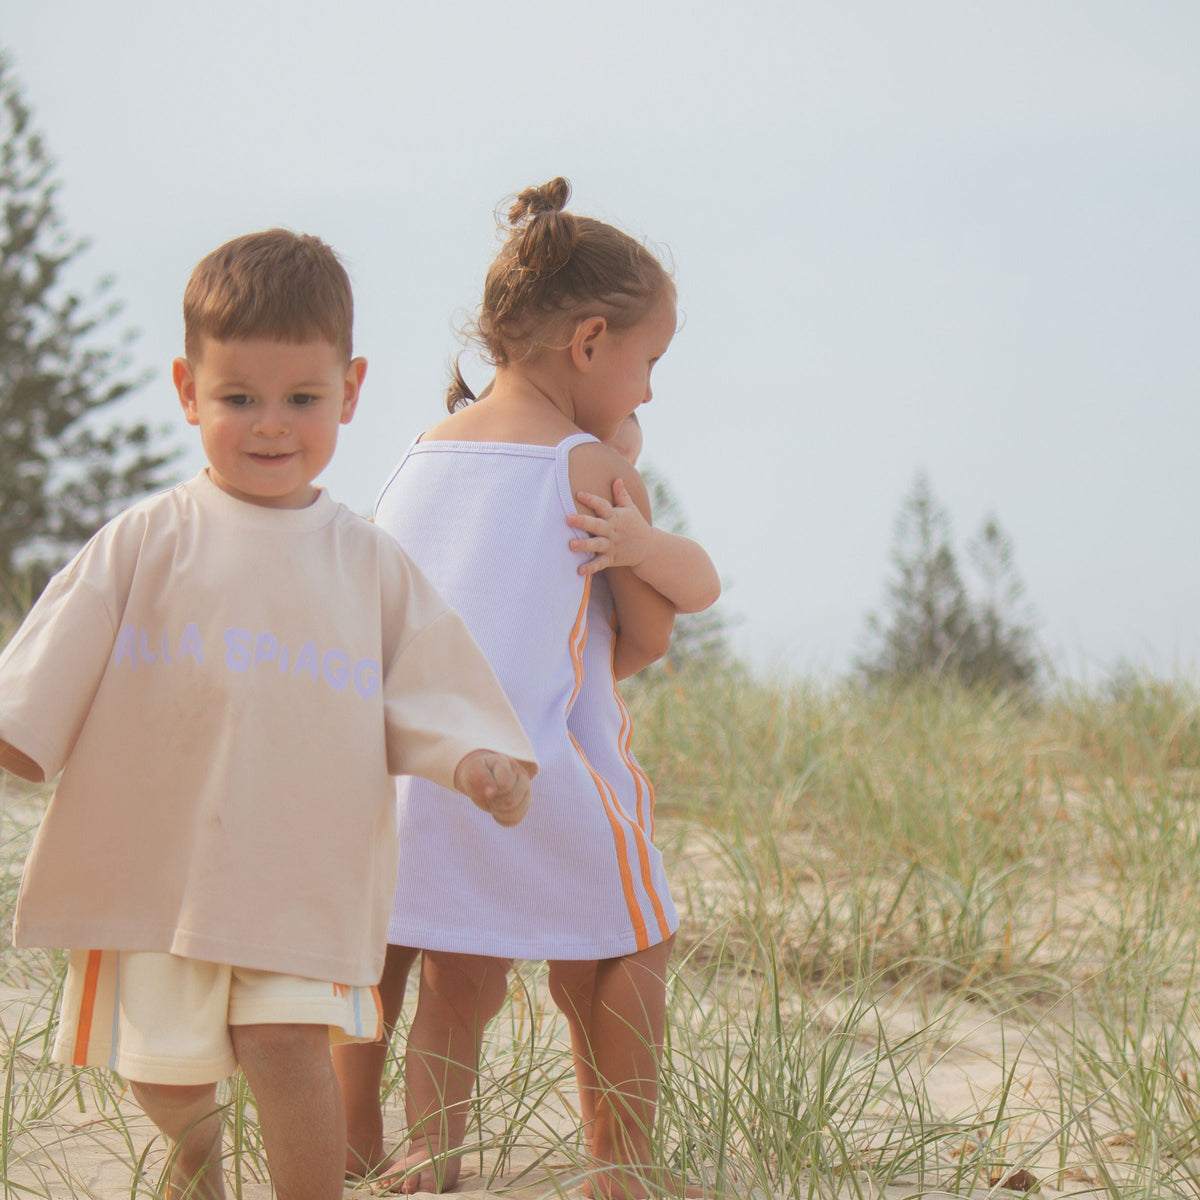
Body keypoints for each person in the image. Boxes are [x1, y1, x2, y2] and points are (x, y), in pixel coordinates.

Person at [0, 229, 537, 1200]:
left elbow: (427, 673)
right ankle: (195, 1151)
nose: (271, 424)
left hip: (299, 870)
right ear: (186, 388)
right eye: (239, 397)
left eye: (302, 398)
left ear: (351, 388)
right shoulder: (146, 542)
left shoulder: (363, 559)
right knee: (163, 1071)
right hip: (163, 871)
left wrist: (477, 761)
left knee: (288, 1047)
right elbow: (44, 668)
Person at [333, 178, 718, 1199]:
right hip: (538, 770)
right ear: (590, 342)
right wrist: (634, 519)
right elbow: (648, 632)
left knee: (445, 973)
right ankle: (619, 1164)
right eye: (649, 364)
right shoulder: (588, 463)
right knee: (629, 949)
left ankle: (402, 1145)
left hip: (406, 773)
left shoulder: (417, 458)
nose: (647, 393)